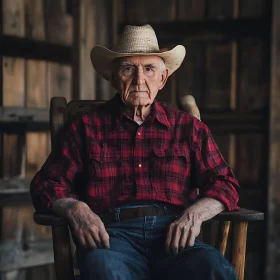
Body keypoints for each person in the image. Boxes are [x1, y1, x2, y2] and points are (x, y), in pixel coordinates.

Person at [30, 24, 240, 280]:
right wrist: (75, 208)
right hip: (112, 239)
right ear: (114, 77)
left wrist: (196, 213)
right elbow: (46, 184)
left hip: (173, 237)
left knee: (215, 269)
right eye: (129, 68)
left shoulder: (188, 128)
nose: (140, 80)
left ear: (162, 79)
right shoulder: (85, 129)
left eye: (149, 69)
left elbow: (224, 183)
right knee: (103, 270)